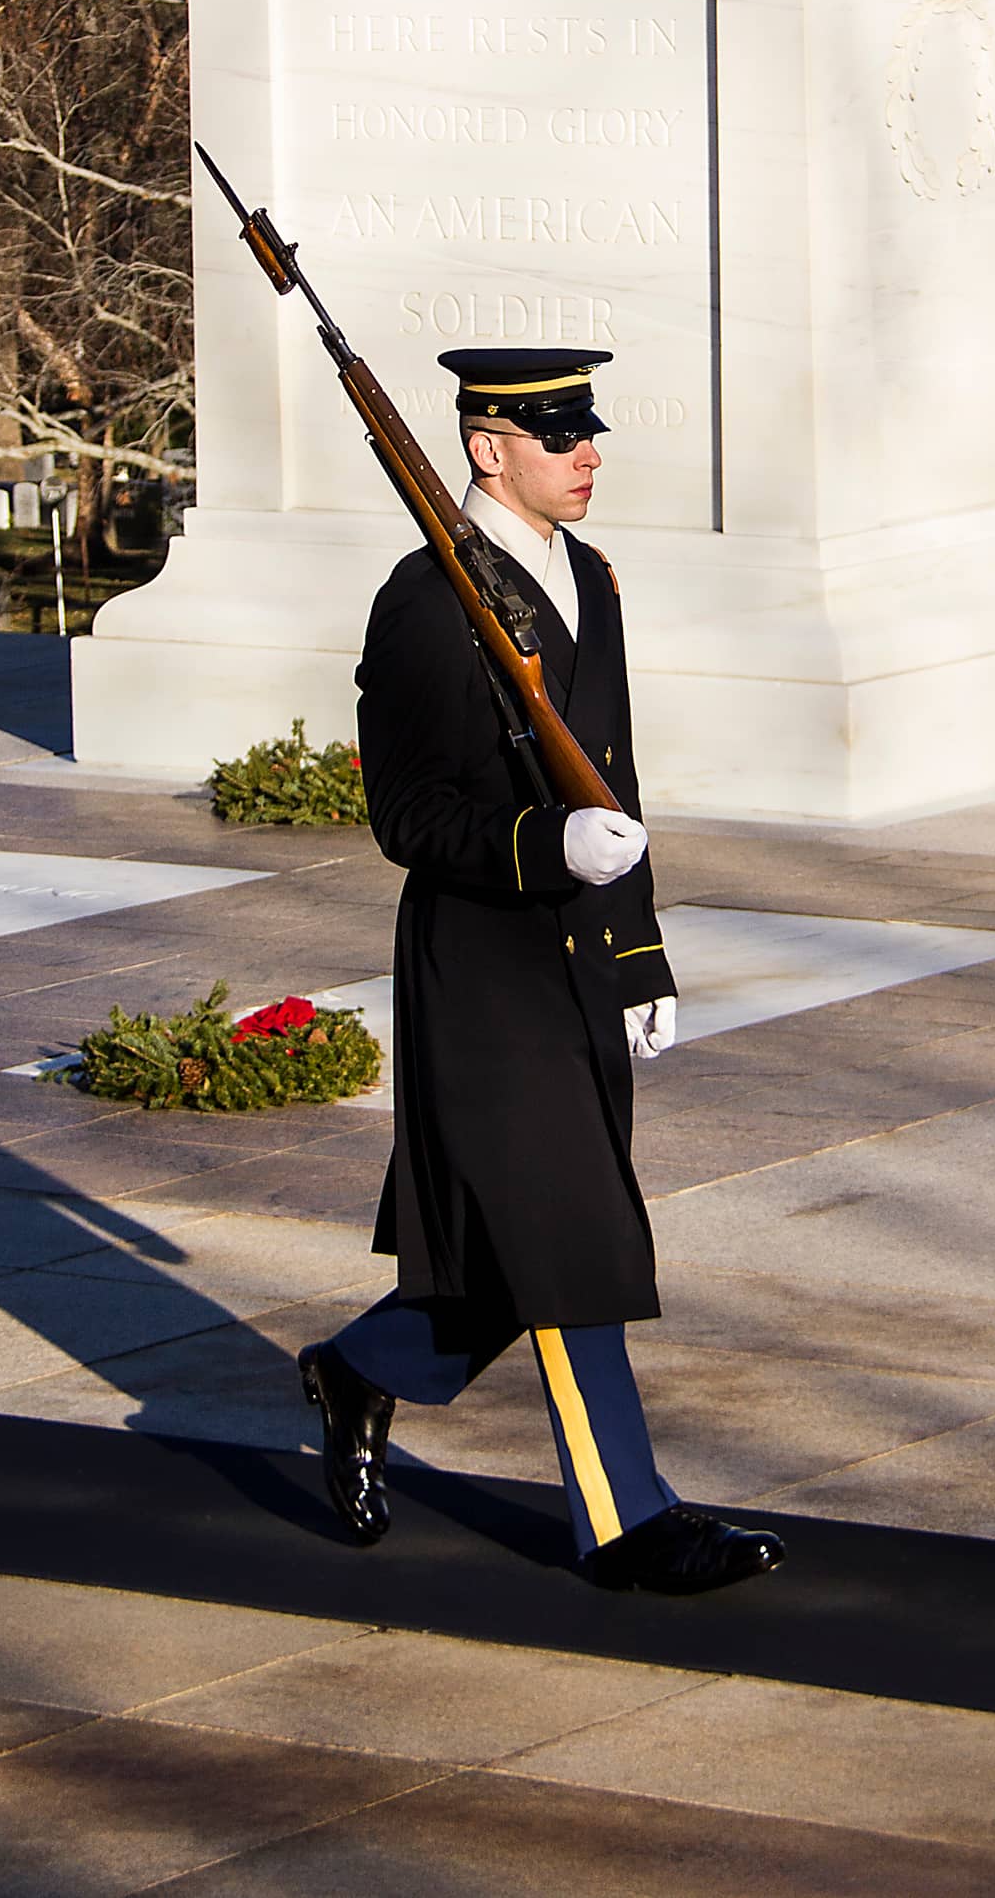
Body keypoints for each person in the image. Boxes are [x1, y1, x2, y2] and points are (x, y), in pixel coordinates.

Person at [296, 346, 785, 1594]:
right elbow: (407, 815)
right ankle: (627, 1517)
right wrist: (543, 845)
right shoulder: (424, 599)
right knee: (570, 1231)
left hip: (575, 960)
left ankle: (365, 1369)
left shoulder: (594, 586)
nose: (588, 453)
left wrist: (639, 950)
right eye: (559, 433)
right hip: (483, 965)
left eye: (588, 432)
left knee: (526, 1242)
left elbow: (609, 775)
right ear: (485, 448)